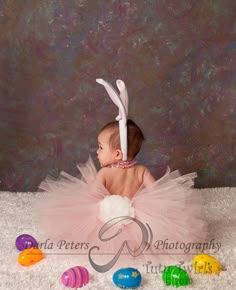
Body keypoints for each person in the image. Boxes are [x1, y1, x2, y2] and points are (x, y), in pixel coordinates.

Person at [35, 79, 208, 271]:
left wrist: (94, 188)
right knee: (144, 235)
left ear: (117, 154)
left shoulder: (105, 173)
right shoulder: (141, 170)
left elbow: (92, 195)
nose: (97, 151)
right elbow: (157, 192)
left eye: (101, 147)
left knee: (91, 228)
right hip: (134, 215)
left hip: (108, 218)